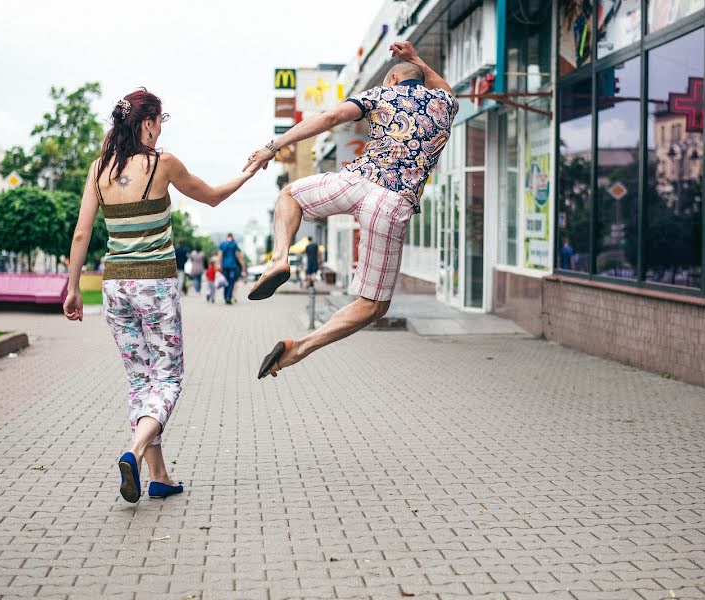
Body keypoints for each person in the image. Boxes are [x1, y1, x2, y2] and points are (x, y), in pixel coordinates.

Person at [62, 90, 258, 503]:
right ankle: (133, 452)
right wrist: (251, 171)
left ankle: (160, 477)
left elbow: (81, 233)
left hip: (115, 288)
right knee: (167, 377)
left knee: (140, 380)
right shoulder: (162, 164)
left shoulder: (99, 169)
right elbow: (214, 196)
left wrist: (73, 286)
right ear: (147, 122)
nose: (161, 130)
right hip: (155, 286)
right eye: (160, 122)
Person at [244, 42, 458, 379]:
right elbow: (443, 85)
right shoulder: (445, 104)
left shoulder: (380, 95)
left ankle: (279, 258)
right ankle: (299, 348)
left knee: (290, 196)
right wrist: (416, 58)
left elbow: (329, 118)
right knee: (373, 305)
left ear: (392, 80)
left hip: (356, 181)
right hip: (393, 202)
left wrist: (273, 146)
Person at [218, 233, 244, 305]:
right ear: (232, 237)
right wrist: (242, 265)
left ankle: (225, 297)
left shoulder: (222, 244)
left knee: (225, 281)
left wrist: (219, 264)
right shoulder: (234, 244)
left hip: (225, 266)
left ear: (227, 237)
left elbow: (220, 255)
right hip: (232, 266)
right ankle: (228, 297)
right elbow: (238, 255)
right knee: (231, 282)